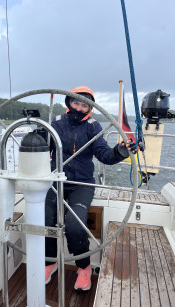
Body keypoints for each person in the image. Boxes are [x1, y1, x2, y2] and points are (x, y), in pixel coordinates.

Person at [45, 86, 136, 291]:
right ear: (69, 103)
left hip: (82, 184)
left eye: (84, 104)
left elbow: (105, 155)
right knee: (45, 220)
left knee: (75, 226)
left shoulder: (94, 127)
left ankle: (84, 268)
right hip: (55, 182)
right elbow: (44, 146)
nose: (79, 107)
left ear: (90, 107)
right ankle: (49, 262)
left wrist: (122, 150)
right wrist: (37, 137)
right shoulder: (56, 124)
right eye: (76, 102)